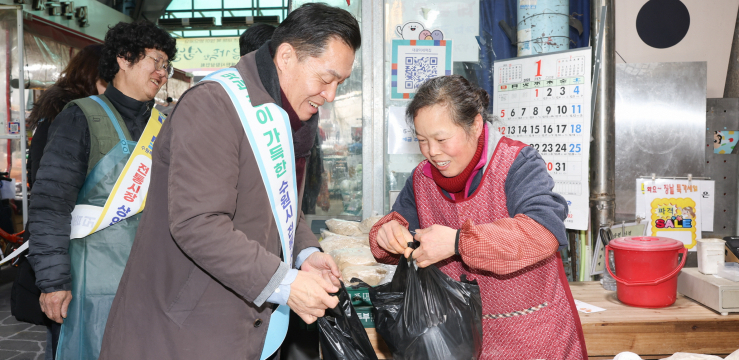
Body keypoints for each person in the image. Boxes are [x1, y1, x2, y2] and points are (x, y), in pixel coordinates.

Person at [99, 3, 360, 359]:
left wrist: (305, 252)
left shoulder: (275, 111)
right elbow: (197, 223)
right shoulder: (215, 105)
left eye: (339, 84)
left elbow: (278, 201)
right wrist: (287, 284)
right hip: (185, 331)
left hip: (239, 327)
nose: (330, 95)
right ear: (286, 57)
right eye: (327, 79)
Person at [369, 75, 587, 360]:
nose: (433, 152)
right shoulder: (422, 179)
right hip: (456, 343)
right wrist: (387, 234)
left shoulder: (517, 163)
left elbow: (542, 231)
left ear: (475, 124)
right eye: (422, 140)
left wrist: (458, 242)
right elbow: (392, 230)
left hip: (532, 340)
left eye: (441, 139)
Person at [26, 20, 176, 360]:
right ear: (124, 58)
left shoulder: (165, 126)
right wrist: (52, 282)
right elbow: (50, 205)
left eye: (167, 65)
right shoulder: (80, 116)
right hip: (91, 284)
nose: (163, 72)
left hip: (153, 282)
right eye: (156, 61)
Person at [17, 44, 106, 360]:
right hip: (71, 242)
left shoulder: (55, 110)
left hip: (65, 241)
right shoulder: (78, 115)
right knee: (68, 332)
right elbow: (52, 191)